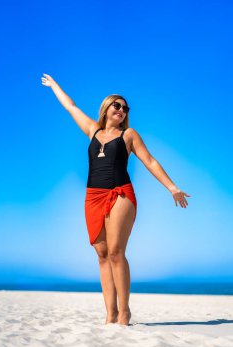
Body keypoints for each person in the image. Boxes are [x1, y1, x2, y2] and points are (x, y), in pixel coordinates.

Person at [41, 73, 191, 326]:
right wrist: (55, 86)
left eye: (125, 108)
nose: (122, 110)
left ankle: (124, 312)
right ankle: (110, 313)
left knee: (116, 252)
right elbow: (71, 106)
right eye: (117, 105)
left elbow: (150, 161)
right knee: (101, 254)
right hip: (93, 196)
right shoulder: (92, 131)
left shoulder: (129, 135)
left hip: (121, 193)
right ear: (106, 108)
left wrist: (172, 187)